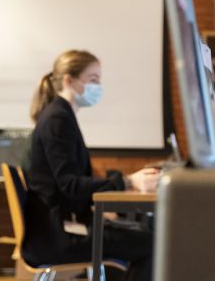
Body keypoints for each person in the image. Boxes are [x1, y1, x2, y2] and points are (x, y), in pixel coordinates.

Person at [24, 50, 159, 281]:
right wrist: (127, 182)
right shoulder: (58, 119)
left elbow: (69, 185)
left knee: (143, 235)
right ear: (69, 80)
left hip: (64, 227)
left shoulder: (61, 115)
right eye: (93, 79)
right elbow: (70, 185)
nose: (98, 86)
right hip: (59, 236)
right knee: (151, 244)